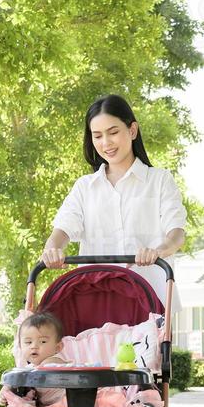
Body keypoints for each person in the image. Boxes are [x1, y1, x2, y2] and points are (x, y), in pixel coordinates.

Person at [41, 94, 187, 316]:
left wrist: (158, 251)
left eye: (113, 132)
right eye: (97, 136)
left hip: (149, 305)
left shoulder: (159, 180)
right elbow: (62, 229)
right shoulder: (84, 187)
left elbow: (176, 233)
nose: (105, 143)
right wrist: (52, 249)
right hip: (95, 303)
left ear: (132, 130)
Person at [16, 311, 69, 407]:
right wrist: (6, 389)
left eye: (43, 341)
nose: (34, 346)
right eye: (28, 342)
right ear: (20, 346)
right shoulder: (29, 368)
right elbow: (17, 378)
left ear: (58, 347)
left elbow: (22, 376)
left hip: (74, 402)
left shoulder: (53, 362)